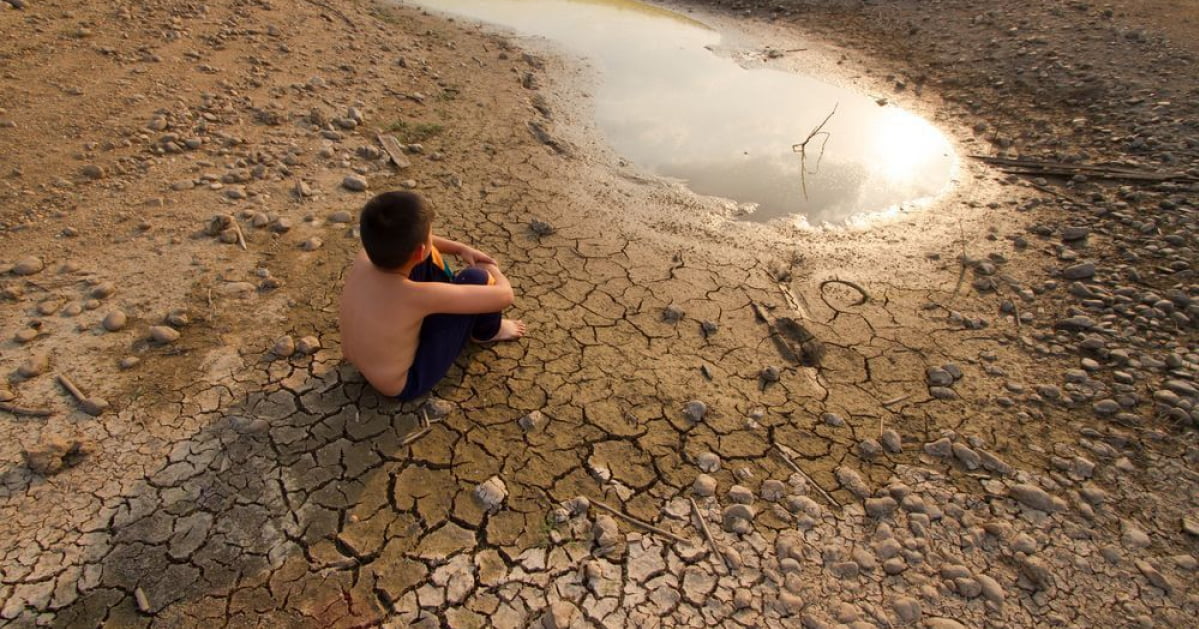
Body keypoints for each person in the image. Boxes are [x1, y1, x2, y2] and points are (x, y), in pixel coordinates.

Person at [339, 191, 525, 399]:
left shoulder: (365, 256)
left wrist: (460, 249)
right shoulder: (417, 297)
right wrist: (492, 269)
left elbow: (421, 244)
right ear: (419, 250)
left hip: (360, 361)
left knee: (427, 255)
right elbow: (505, 295)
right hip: (405, 383)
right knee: (477, 277)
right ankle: (488, 332)